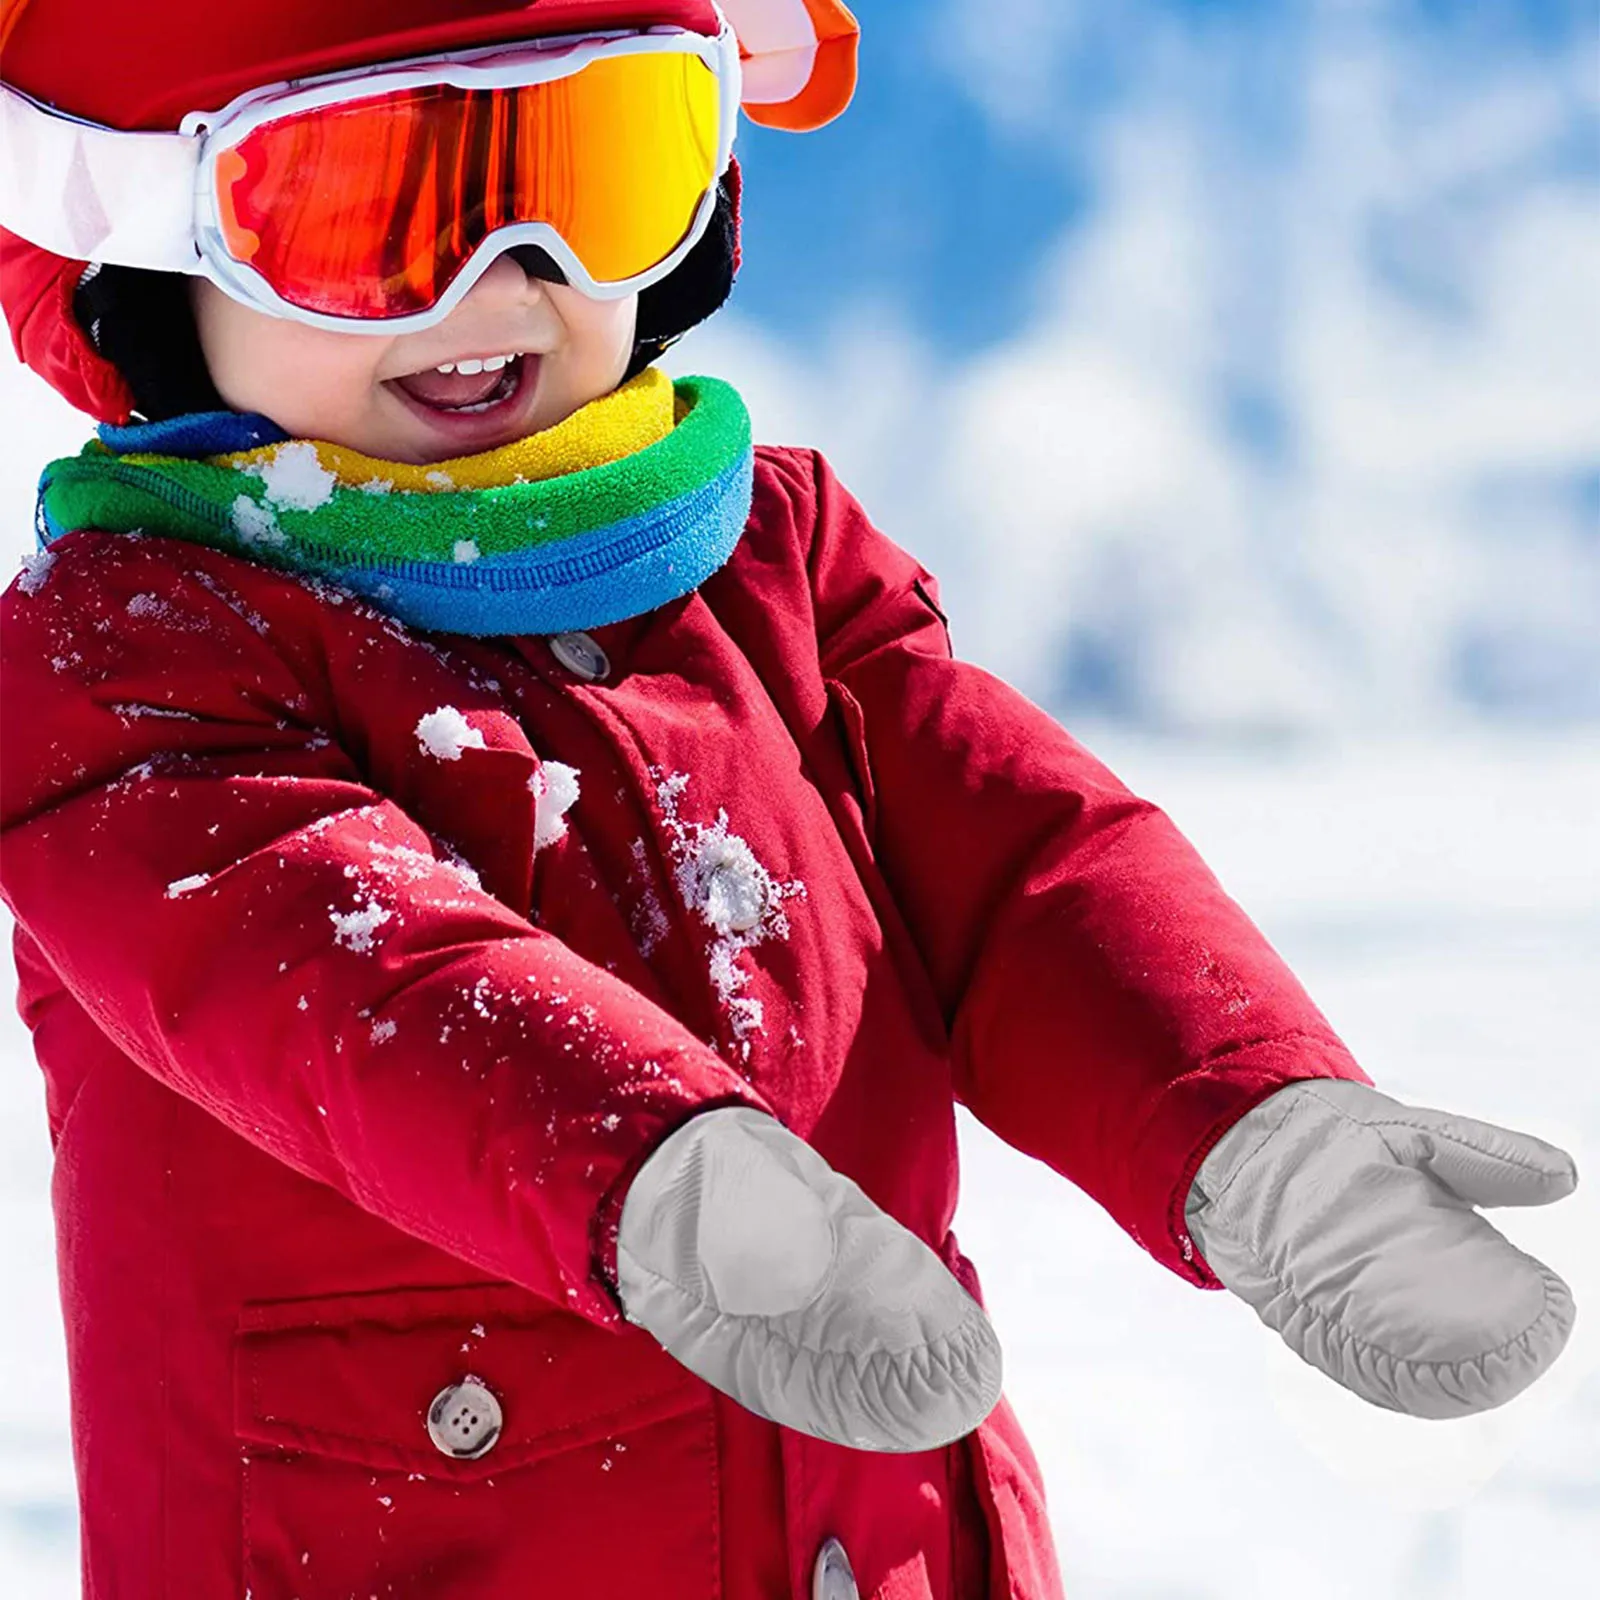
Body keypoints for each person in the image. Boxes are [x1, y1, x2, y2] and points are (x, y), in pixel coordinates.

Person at [0, 2, 1579, 1597]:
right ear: (143, 261)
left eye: (597, 169)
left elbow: (1026, 869)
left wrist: (1253, 1124)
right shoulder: (118, 669)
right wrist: (673, 1193)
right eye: (363, 211)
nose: (501, 277)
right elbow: (337, 967)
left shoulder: (774, 566)